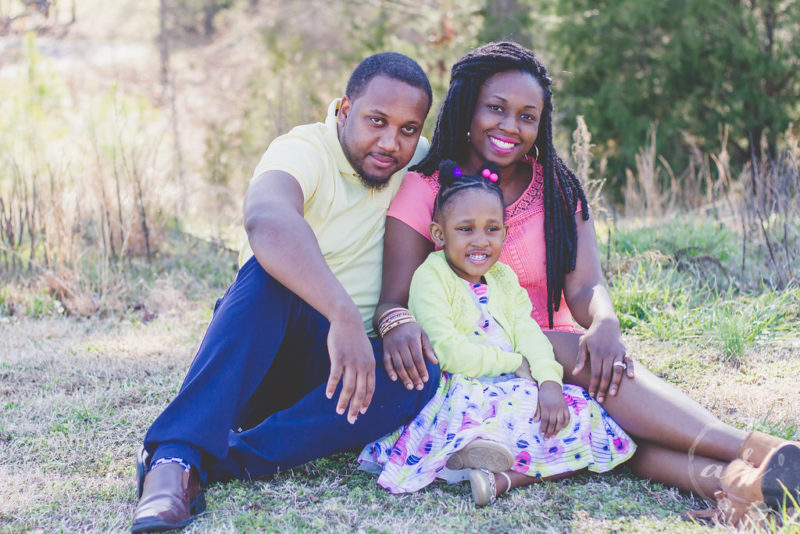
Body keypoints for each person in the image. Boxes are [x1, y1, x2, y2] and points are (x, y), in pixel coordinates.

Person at [373, 41, 800, 525]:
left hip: (562, 365)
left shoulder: (555, 186)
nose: (511, 126)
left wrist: (605, 321)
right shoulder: (426, 188)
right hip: (475, 366)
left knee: (615, 430)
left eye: (527, 116)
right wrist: (396, 325)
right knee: (581, 370)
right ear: (468, 107)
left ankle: (747, 484)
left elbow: (585, 288)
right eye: (496, 108)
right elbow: (395, 300)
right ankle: (757, 448)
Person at [130, 52, 441, 533]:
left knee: (420, 373)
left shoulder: (419, 161)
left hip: (345, 383)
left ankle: (221, 462)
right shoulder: (304, 150)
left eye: (407, 129)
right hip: (272, 350)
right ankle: (175, 459)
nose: (390, 142)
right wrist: (341, 314)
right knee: (266, 275)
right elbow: (266, 218)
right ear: (343, 110)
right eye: (376, 121)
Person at [359, 160, 635, 506]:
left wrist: (549, 382)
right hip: (460, 386)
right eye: (466, 229)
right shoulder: (431, 277)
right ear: (439, 234)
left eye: (492, 229)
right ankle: (470, 452)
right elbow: (447, 351)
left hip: (512, 383)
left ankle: (501, 478)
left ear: (504, 233)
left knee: (582, 411)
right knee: (500, 415)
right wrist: (514, 363)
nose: (480, 241)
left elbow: (529, 333)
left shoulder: (503, 279)